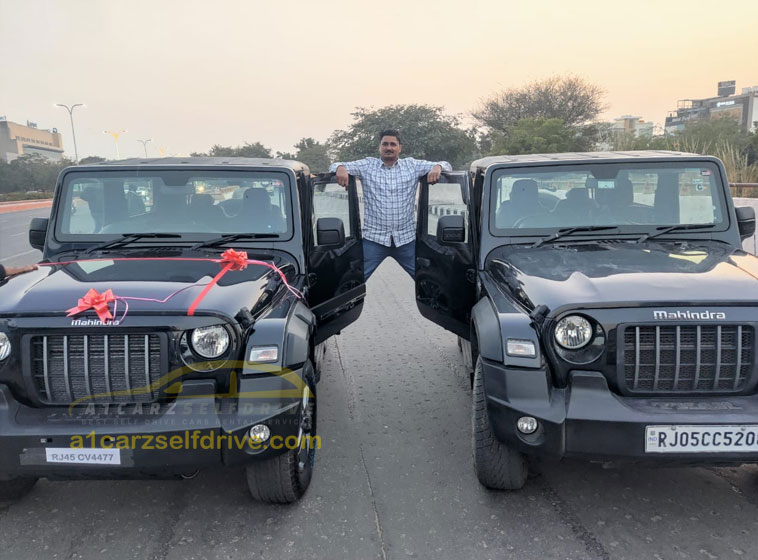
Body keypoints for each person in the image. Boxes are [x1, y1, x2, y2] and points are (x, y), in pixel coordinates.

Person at [329, 129, 451, 280]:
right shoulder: (367, 166)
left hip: (405, 240)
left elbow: (446, 165)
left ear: (400, 147)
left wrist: (437, 168)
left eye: (393, 144)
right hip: (374, 240)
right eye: (385, 144)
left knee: (428, 280)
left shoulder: (412, 165)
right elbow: (335, 165)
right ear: (379, 147)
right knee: (353, 281)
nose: (389, 147)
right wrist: (340, 168)